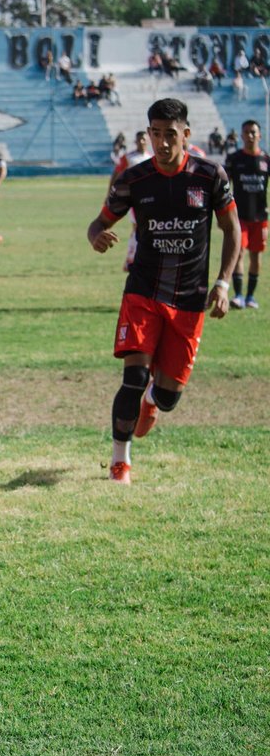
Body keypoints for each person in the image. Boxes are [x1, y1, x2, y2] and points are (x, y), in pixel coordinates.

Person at [87, 98, 239, 485]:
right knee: (132, 378)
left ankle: (155, 400)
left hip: (189, 300)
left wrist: (223, 282)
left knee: (168, 397)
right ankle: (120, 460)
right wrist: (96, 236)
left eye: (170, 135)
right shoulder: (134, 180)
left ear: (186, 134)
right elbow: (99, 221)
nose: (162, 142)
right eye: (156, 134)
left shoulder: (210, 176)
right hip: (143, 293)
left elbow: (232, 230)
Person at [224, 119, 269, 309]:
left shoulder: (266, 159)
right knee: (239, 253)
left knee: (256, 256)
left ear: (259, 135)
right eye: (247, 132)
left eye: (253, 132)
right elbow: (224, 186)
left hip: (260, 217)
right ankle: (239, 295)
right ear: (241, 136)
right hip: (238, 217)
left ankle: (251, 296)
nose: (250, 136)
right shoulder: (234, 159)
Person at [108, 129, 153, 271]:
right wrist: (111, 191)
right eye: (139, 139)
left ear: (148, 140)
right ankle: (130, 260)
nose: (141, 142)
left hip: (150, 199)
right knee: (136, 227)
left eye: (144, 139)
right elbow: (116, 173)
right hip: (134, 198)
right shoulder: (128, 158)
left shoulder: (152, 157)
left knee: (145, 228)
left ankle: (138, 259)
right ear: (135, 141)